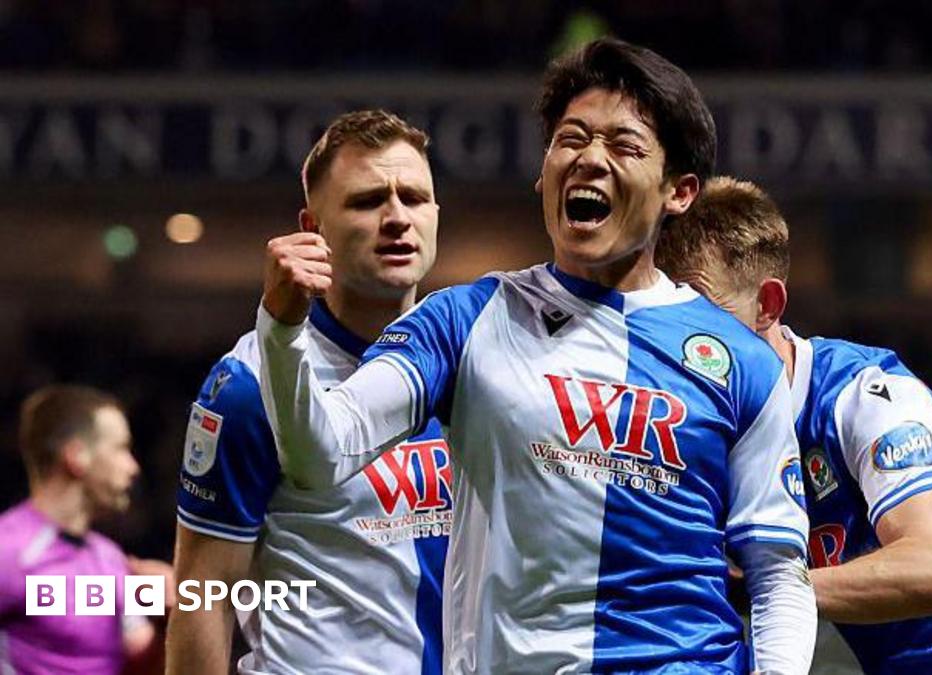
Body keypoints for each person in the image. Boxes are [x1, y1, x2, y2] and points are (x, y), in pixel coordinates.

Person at [255, 39, 816, 673]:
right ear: (543, 171)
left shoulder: (741, 361)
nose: (589, 159)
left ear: (679, 191)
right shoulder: (464, 320)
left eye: (625, 146)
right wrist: (282, 327)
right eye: (570, 139)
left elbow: (778, 574)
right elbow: (320, 455)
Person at [656, 176, 932, 674]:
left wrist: (766, 589)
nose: (682, 342)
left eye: (702, 313)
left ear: (767, 305)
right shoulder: (708, 434)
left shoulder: (867, 396)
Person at [165, 110, 451, 675]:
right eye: (368, 201)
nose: (397, 218)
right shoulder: (247, 386)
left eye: (415, 198)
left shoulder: (471, 358)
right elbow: (205, 594)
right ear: (312, 226)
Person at [0, 384, 171, 674]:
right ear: (77, 456)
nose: (133, 467)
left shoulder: (110, 558)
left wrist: (168, 617)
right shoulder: (10, 551)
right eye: (121, 448)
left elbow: (137, 663)